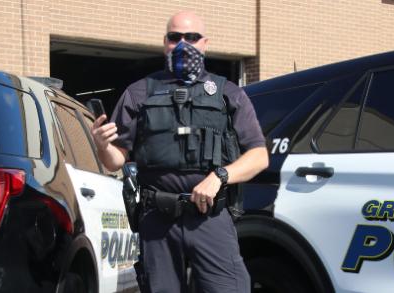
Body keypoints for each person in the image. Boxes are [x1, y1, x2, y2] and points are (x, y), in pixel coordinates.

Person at [90, 11, 268, 293]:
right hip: (158, 220)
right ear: (165, 43)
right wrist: (102, 145)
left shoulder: (227, 93)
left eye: (192, 37)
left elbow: (259, 156)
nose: (183, 44)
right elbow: (116, 159)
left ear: (205, 43)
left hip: (210, 217)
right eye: (175, 38)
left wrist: (220, 176)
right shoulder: (139, 93)